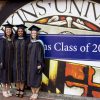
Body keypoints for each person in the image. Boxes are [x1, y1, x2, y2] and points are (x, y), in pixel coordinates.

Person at [27, 25, 44, 100]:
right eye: (32, 33)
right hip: (30, 64)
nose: (33, 34)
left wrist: (39, 64)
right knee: (31, 78)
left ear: (37, 34)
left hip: (36, 63)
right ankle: (33, 93)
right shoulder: (30, 43)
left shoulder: (39, 43)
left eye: (35, 33)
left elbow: (41, 54)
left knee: (37, 78)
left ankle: (36, 93)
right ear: (31, 34)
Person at [13, 24, 29, 98]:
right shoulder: (14, 39)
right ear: (17, 32)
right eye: (19, 31)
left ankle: (22, 90)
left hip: (23, 62)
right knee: (17, 77)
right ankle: (18, 89)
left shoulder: (26, 40)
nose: (20, 32)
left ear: (23, 32)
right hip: (16, 62)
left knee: (22, 77)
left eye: (21, 31)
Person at [0, 23, 14, 97]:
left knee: (9, 77)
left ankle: (8, 90)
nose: (8, 31)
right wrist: (1, 61)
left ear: (11, 31)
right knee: (3, 77)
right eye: (7, 30)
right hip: (4, 61)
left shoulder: (11, 40)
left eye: (10, 30)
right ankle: (4, 91)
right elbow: (1, 51)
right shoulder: (2, 40)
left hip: (10, 62)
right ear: (5, 31)